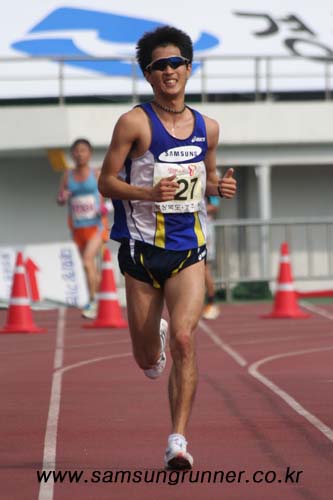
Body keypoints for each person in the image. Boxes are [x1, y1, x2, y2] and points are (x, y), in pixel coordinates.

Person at [98, 26, 237, 470]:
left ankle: (177, 441)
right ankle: (151, 342)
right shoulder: (134, 123)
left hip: (187, 251)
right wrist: (147, 195)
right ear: (148, 74)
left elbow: (209, 178)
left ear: (189, 68)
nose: (170, 71)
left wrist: (220, 186)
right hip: (140, 252)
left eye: (176, 63)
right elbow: (106, 182)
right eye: (160, 66)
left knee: (184, 338)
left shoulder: (207, 127)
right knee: (147, 360)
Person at [57, 138, 110, 318]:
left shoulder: (96, 173)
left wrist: (104, 208)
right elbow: (60, 199)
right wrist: (63, 197)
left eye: (83, 150)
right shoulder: (67, 175)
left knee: (88, 260)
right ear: (72, 154)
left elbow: (107, 197)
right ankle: (101, 298)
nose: (80, 154)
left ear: (89, 154)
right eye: (77, 151)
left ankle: (93, 301)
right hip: (78, 227)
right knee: (89, 267)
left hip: (97, 225)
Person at [202, 195, 220, 319]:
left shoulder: (209, 184)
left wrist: (197, 209)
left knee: (204, 268)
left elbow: (214, 206)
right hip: (194, 228)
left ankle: (211, 302)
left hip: (206, 231)